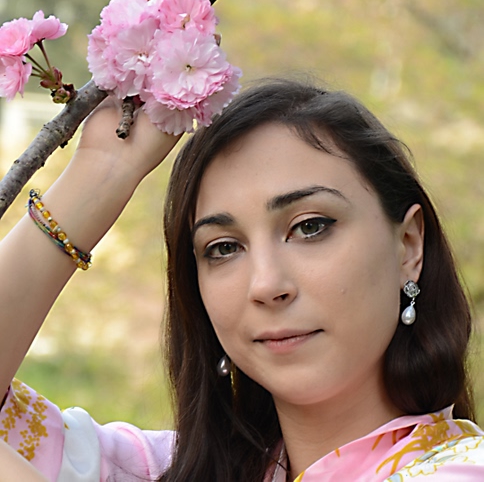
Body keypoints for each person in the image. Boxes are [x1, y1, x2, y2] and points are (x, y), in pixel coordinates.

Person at [0, 75, 483, 481]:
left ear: (408, 246)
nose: (266, 285)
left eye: (310, 227)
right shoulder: (164, 471)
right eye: (224, 248)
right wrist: (104, 169)